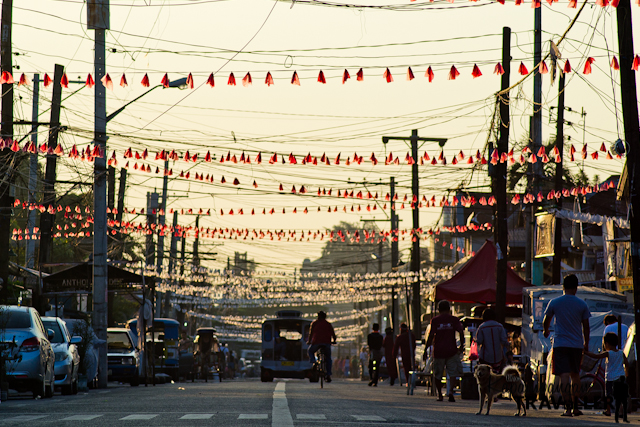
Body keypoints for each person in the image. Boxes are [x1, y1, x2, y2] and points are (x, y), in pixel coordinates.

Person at [543, 274, 591, 417]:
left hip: (560, 344)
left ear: (563, 286)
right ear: (576, 288)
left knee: (563, 375)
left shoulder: (555, 302)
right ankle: (576, 408)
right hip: (576, 345)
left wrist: (546, 330)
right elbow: (586, 326)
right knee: (575, 375)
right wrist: (586, 343)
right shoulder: (582, 304)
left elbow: (547, 319)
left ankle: (568, 409)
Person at [585, 332, 629, 423]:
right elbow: (626, 363)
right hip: (621, 377)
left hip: (610, 378)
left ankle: (608, 410)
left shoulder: (608, 353)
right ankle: (621, 412)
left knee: (608, 395)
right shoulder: (621, 353)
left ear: (607, 344)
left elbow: (596, 356)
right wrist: (626, 372)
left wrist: (586, 352)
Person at [425, 300, 464, 402]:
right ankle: (450, 391)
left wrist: (426, 348)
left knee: (437, 373)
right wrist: (461, 347)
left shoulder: (435, 320)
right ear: (449, 309)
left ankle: (439, 394)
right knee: (453, 373)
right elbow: (461, 332)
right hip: (452, 350)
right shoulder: (454, 320)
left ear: (438, 310)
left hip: (439, 351)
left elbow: (431, 335)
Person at [307, 311, 337, 382]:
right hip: (326, 343)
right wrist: (334, 340)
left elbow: (311, 334)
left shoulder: (314, 323)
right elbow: (333, 334)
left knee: (310, 351)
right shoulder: (328, 324)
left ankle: (313, 361)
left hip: (316, 343)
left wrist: (309, 341)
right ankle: (328, 374)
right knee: (328, 358)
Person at [392, 323, 416, 388]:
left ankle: (408, 381)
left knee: (407, 368)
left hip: (405, 354)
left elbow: (396, 346)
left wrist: (394, 355)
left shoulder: (400, 337)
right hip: (411, 354)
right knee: (412, 367)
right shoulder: (411, 336)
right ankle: (412, 381)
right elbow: (414, 345)